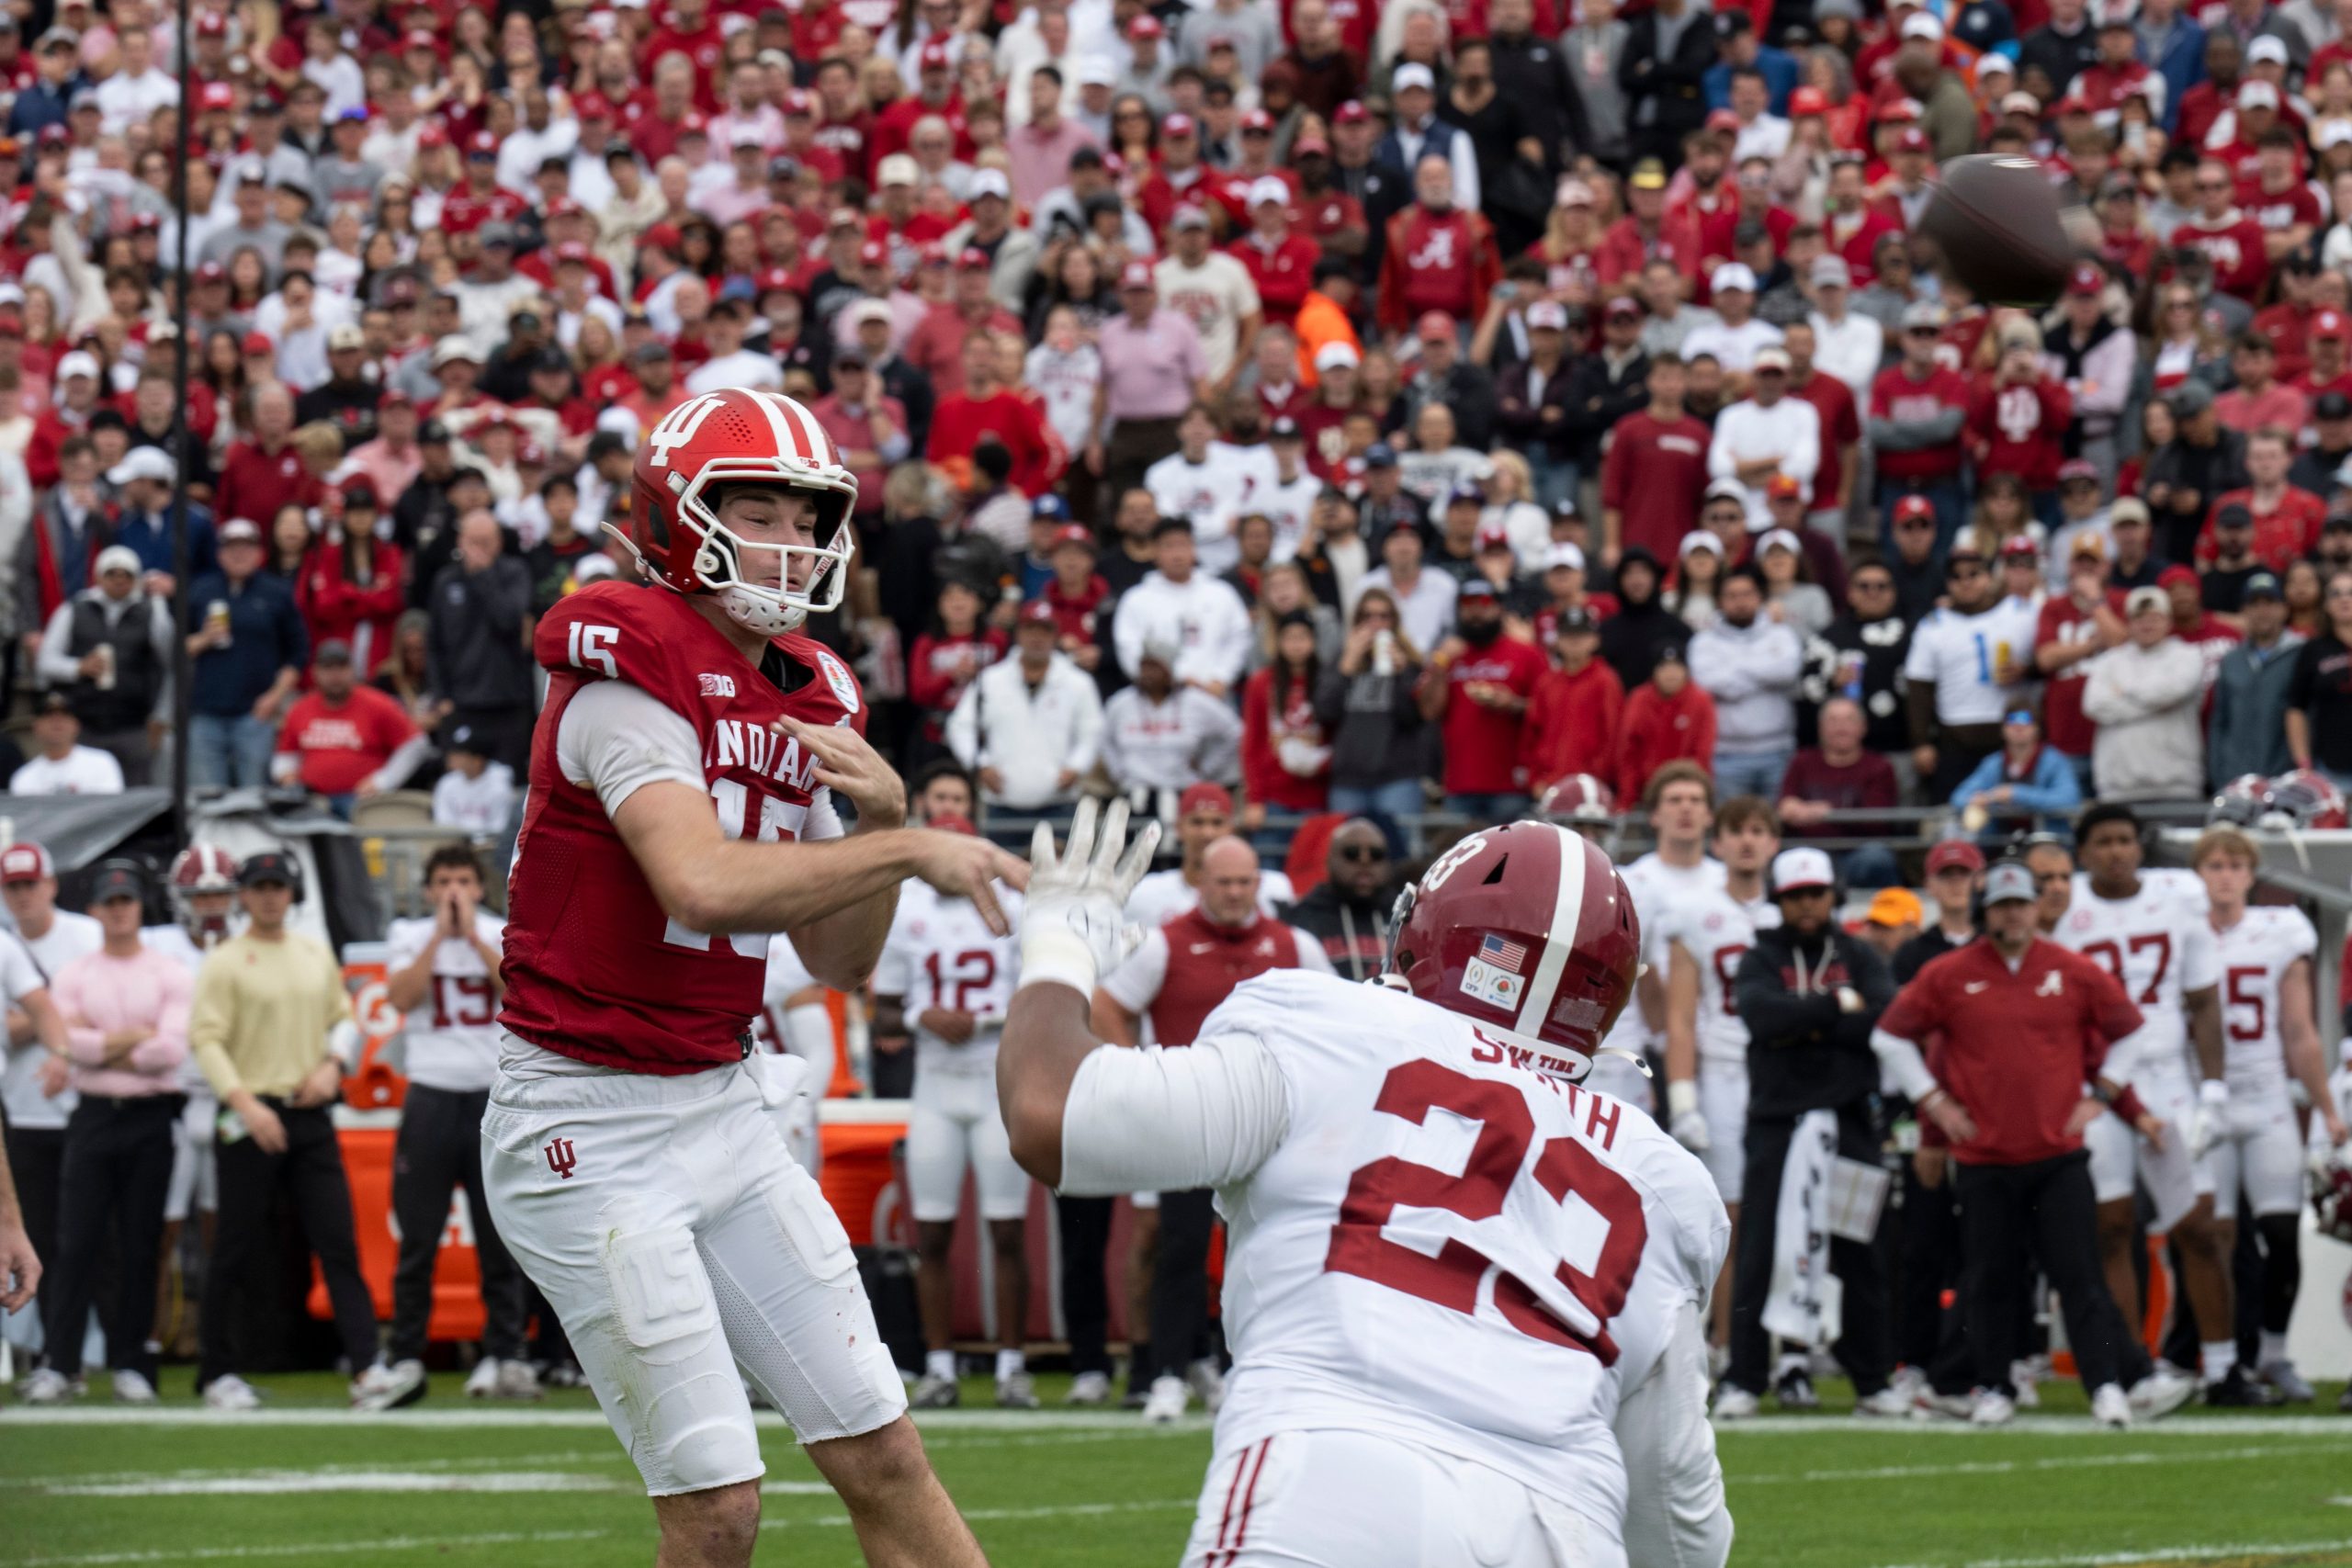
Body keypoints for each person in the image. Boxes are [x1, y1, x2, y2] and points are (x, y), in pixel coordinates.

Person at [483, 387, 1015, 1566]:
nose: (786, 540)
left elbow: (837, 957)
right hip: (585, 1119)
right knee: (719, 1509)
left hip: (719, 1104)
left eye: (804, 514)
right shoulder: (625, 668)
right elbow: (701, 887)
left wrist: (871, 822)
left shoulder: (812, 688)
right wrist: (910, 843)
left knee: (884, 1454)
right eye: (756, 509)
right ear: (679, 514)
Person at [999, 805, 1733, 1565]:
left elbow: (1048, 1116)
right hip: (1561, 1521)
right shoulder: (1663, 1177)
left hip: (1331, 1472)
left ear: (1426, 930)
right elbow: (1675, 1506)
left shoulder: (1325, 1024)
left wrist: (1057, 950)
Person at [1870, 859, 2197, 1429]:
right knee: (1991, 1278)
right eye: (2002, 905)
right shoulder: (1950, 973)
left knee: (2080, 1275)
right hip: (1984, 1156)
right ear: (1986, 911)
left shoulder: (2071, 969)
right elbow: (1889, 1036)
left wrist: (2104, 1093)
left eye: (2021, 904)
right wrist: (1935, 1103)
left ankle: (2106, 1386)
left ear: (2034, 908)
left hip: (2057, 1155)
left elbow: (2131, 1030)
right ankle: (1995, 1384)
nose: (2013, 914)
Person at [2056, 804, 2262, 1405]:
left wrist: (2214, 1087)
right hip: (2099, 1082)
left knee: (2197, 1226)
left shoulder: (2179, 901)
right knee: (2111, 1224)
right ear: (2086, 852)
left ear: (2140, 847)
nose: (2117, 851)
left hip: (2168, 1074)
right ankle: (2132, 1363)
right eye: (2104, 842)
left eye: (2125, 840)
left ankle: (2221, 1366)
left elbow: (2202, 1003)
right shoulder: (2066, 912)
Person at [1715, 848, 1904, 1420]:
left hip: (1848, 1122)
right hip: (1778, 1123)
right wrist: (1835, 1008)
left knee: (1859, 1251)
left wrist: (1804, 1019)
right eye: (1795, 895)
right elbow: (1761, 1017)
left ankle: (1873, 1381)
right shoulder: (1760, 956)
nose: (1806, 904)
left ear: (1832, 896)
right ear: (1779, 899)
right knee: (1760, 1249)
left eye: (1816, 893)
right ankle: (1745, 1377)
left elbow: (1885, 1018)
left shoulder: (1858, 953)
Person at [188, 852, 380, 1411]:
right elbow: (205, 1038)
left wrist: (333, 1066)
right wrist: (245, 1104)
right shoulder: (226, 961)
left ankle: (368, 1367)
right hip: (248, 1115)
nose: (270, 896)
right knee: (234, 1245)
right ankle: (217, 1369)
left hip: (308, 1109)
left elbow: (343, 1017)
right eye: (259, 887)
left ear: (292, 894)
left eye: (278, 886)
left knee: (337, 1241)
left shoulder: (313, 953)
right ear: (243, 896)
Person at [867, 815, 1034, 1412]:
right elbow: (882, 1013)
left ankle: (1013, 1365)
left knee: (1007, 1230)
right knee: (930, 1233)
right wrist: (920, 1017)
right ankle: (939, 1365)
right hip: (935, 1085)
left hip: (995, 1081)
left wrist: (989, 1019)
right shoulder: (904, 908)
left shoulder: (1013, 906)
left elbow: (1044, 999)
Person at [362, 847, 528, 1410]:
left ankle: (505, 1354)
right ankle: (406, 1353)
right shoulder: (409, 935)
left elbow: (518, 995)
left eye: (462, 880)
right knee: (419, 1234)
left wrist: (472, 939)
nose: (454, 890)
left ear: (479, 887)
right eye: (443, 881)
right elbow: (403, 998)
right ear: (429, 889)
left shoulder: (501, 932)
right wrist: (440, 937)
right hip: (431, 1092)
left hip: (490, 1094)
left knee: (497, 1236)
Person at [18, 863, 189, 1405]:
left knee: (140, 1244)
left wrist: (101, 1044)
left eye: (127, 900)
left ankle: (132, 1362)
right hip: (91, 1113)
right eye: (110, 901)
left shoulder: (168, 972)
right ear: (95, 909)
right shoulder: (76, 973)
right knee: (76, 1241)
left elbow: (169, 1052)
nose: (119, 910)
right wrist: (129, 1039)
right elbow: (67, 1041)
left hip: (149, 1114)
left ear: (140, 907)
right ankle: (61, 1362)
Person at [2193, 826, 2346, 1401]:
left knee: (2282, 1232)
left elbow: (2300, 1030)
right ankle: (2225, 1361)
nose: (2226, 875)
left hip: (2266, 1096)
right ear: (2199, 874)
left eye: (2236, 865)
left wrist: (2327, 1108)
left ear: (2253, 874)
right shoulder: (2185, 934)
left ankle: (2275, 1354)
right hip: (2204, 1097)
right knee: (2216, 1236)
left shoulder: (2279, 931)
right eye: (2215, 865)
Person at [1660, 795, 1781, 1301]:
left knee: (1786, 1205)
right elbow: (1680, 1016)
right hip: (1725, 1071)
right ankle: (1726, 1342)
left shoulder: (1788, 912)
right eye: (1737, 831)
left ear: (1774, 843)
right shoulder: (1695, 914)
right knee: (1728, 1212)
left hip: (1783, 1070)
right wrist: (1684, 1098)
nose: (1748, 840)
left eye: (1758, 830)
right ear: (1719, 842)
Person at [0, 843, 90, 1374]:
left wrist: (59, 1053)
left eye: (30, 883)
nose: (23, 895)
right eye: (13, 886)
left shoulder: (79, 938)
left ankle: (67, 1358)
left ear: (51, 884)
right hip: (21, 1109)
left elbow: (55, 1011)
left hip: (66, 1109)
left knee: (74, 1239)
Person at [1904, 544, 2040, 801]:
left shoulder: (2021, 612)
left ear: (1988, 576)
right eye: (1957, 576)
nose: (1965, 582)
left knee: (2014, 811)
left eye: (1973, 574)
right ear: (1947, 583)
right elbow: (1919, 686)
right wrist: (1920, 742)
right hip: (1956, 736)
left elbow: (2046, 660)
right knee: (1957, 813)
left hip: (2013, 734)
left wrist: (2027, 670)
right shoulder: (1934, 625)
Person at [184, 516, 307, 790]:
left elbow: (298, 652)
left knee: (253, 796)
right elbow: (176, 648)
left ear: (259, 552)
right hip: (205, 713)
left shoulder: (277, 592)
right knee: (207, 798)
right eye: (231, 547)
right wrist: (203, 639)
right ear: (219, 553)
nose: (239, 553)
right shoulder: (200, 590)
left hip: (255, 713)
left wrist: (275, 697)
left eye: (246, 546)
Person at [33, 543, 173, 784]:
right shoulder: (75, 609)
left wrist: (161, 716)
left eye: (126, 575)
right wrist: (78, 668)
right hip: (84, 724)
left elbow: (171, 659)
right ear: (99, 576)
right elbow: (45, 661)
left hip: (134, 724)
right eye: (112, 574)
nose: (119, 580)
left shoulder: (149, 611)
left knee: (136, 797)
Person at [946, 601, 1104, 812]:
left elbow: (1092, 730)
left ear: (1055, 635)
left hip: (1060, 801)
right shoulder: (992, 680)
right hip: (1001, 801)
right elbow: (960, 726)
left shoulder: (1077, 682)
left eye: (1044, 630)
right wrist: (980, 764)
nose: (1037, 637)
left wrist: (1077, 766)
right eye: (1030, 629)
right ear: (1018, 633)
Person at [1420, 580, 1549, 820]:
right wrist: (1439, 665)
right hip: (1460, 786)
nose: (1476, 611)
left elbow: (1550, 711)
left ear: (1499, 608)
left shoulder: (1526, 653)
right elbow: (1429, 711)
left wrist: (1511, 703)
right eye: (1468, 604)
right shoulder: (1447, 655)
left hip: (1511, 786)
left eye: (1485, 603)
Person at [271, 640, 430, 812]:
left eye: (341, 668)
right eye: (328, 668)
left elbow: (416, 744)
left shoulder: (377, 704)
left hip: (360, 801)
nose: (335, 675)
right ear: (315, 672)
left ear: (352, 670)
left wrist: (383, 781)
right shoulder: (300, 708)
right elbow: (285, 756)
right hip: (312, 801)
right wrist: (288, 777)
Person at [2083, 585, 2209, 800]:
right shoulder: (2108, 662)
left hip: (2177, 785)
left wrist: (2124, 691)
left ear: (2169, 622)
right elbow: (2093, 705)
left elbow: (2173, 690)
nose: (2147, 624)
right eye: (2139, 618)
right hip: (2117, 786)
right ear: (2128, 623)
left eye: (2154, 617)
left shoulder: (2189, 656)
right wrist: (2157, 705)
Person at [1690, 568, 1804, 800]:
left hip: (1778, 752)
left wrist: (1733, 670)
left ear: (1759, 596)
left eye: (1747, 594)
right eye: (1732, 595)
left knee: (1777, 832)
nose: (1740, 601)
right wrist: (1763, 672)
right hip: (1726, 756)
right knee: (1730, 829)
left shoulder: (1781, 634)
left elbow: (1787, 671)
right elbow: (1706, 682)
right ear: (1719, 601)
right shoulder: (1703, 641)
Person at [2208, 573, 2303, 784]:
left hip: (2288, 781)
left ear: (2284, 609)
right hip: (2237, 782)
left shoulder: (2302, 654)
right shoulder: (2231, 660)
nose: (2262, 611)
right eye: (2254, 604)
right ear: (2244, 611)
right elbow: (2220, 723)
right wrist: (2219, 775)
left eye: (2270, 603)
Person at [1279, 819, 1395, 981]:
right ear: (1329, 861)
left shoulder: (1406, 916)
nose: (1364, 861)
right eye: (1352, 853)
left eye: (1376, 854)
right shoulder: (1301, 917)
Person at [1951, 710, 2084, 842]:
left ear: (2037, 729)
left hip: (2047, 843)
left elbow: (2070, 800)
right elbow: (1958, 798)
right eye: (2012, 724)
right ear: (2003, 730)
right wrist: (1983, 799)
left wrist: (2016, 794)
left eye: (2025, 724)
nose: (2019, 729)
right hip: (1997, 844)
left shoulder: (2055, 761)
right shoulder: (1993, 763)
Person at [10, 692, 127, 795]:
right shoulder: (24, 777)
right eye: (49, 715)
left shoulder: (102, 763)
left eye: (64, 715)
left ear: (76, 725)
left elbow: (111, 811)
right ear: (36, 727)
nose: (57, 722)